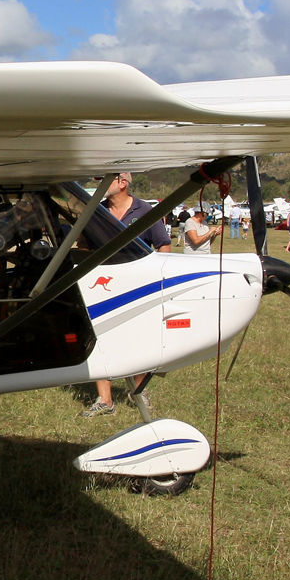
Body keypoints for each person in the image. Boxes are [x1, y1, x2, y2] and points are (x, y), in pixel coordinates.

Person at [80, 173, 171, 418]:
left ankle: (139, 391)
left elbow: (163, 244)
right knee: (100, 340)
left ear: (122, 183)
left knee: (137, 341)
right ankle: (105, 400)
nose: (100, 184)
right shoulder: (96, 212)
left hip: (137, 288)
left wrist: (156, 274)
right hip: (103, 287)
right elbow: (83, 247)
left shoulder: (145, 211)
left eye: (105, 179)